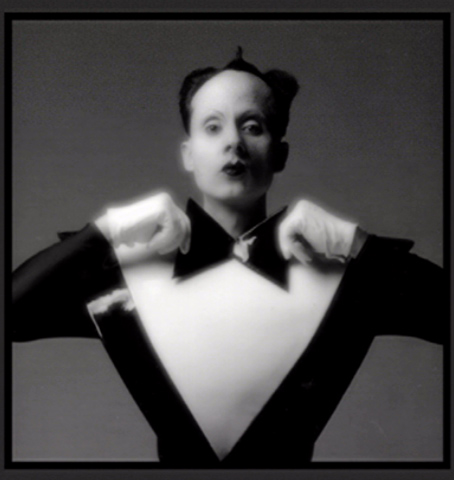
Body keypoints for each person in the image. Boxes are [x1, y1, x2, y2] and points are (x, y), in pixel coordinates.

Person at [12, 48, 446, 467]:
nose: (234, 142)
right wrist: (106, 230)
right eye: (213, 127)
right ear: (188, 153)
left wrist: (357, 243)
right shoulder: (124, 270)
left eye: (253, 127)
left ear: (280, 153)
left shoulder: (343, 274)